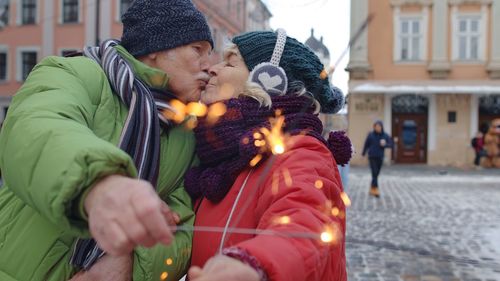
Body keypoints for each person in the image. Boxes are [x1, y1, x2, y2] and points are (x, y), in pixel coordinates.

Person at [0, 0, 213, 280]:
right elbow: (36, 127)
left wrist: (127, 261)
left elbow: (183, 223)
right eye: (198, 50)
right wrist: (98, 183)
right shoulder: (76, 72)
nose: (209, 66)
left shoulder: (187, 130)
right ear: (156, 50)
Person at [184, 29, 351, 281]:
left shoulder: (300, 150)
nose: (213, 69)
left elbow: (304, 221)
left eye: (230, 62)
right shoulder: (218, 151)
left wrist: (256, 264)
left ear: (267, 80)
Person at [362, 121, 393, 197]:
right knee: (374, 173)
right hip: (372, 156)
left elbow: (391, 144)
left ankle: (372, 189)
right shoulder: (371, 135)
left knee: (376, 174)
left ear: (381, 127)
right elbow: (366, 144)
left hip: (380, 157)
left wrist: (385, 145)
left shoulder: (385, 135)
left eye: (379, 126)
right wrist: (363, 153)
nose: (378, 128)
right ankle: (376, 190)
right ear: (374, 127)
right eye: (376, 126)